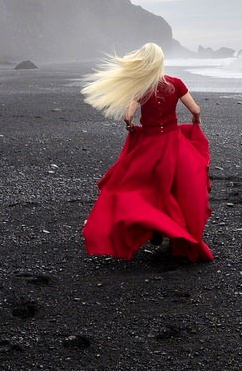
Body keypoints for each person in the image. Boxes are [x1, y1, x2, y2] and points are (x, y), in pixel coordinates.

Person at [80, 43, 212, 262]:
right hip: (173, 144)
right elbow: (195, 109)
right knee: (178, 188)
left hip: (149, 145)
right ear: (160, 61)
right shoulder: (176, 83)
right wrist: (196, 120)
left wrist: (130, 126)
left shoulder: (141, 88)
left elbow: (128, 115)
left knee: (141, 187)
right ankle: (171, 230)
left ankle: (155, 225)